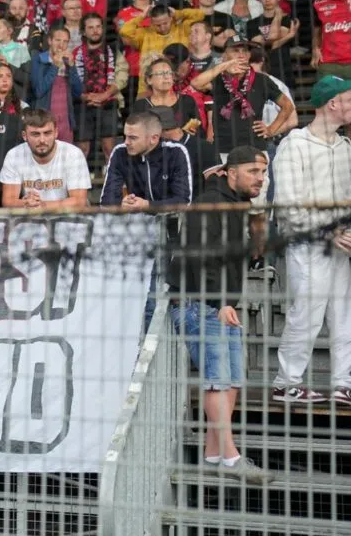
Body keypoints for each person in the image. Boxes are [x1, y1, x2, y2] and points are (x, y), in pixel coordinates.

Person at [170, 145, 270, 482]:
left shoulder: (236, 202)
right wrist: (219, 301)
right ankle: (231, 458)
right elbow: (201, 256)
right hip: (201, 304)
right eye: (254, 171)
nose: (261, 178)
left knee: (233, 381)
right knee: (218, 379)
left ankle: (214, 455)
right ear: (231, 171)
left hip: (221, 304)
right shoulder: (209, 202)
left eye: (263, 172)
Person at [270, 76, 351, 405]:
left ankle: (343, 383)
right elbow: (289, 205)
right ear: (333, 103)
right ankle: (285, 382)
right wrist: (331, 230)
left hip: (342, 246)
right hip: (307, 242)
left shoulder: (346, 148)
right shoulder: (295, 143)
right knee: (307, 312)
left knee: (343, 314)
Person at [188, 40, 295, 159]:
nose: (241, 54)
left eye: (244, 50)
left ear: (249, 55)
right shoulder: (218, 79)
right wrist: (225, 66)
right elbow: (195, 83)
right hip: (224, 148)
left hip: (255, 148)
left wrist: (271, 130)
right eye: (235, 51)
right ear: (224, 55)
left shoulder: (262, 80)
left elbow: (287, 106)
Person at [0, 108, 92, 209]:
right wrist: (25, 203)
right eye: (35, 134)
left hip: (67, 217)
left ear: (56, 133)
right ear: (24, 136)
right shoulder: (14, 155)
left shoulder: (73, 154)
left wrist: (42, 205)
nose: (42, 140)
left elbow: (79, 202)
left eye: (47, 133)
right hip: (30, 218)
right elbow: (8, 201)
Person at [98, 111, 193, 208]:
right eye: (125, 136)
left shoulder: (176, 151)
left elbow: (183, 202)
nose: (126, 142)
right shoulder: (120, 152)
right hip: (135, 218)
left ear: (154, 138)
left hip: (170, 218)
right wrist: (121, 205)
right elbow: (106, 202)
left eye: (133, 138)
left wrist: (147, 205)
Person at [72, 12, 127, 162]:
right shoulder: (74, 54)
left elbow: (122, 76)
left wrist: (105, 95)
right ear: (83, 31)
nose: (95, 30)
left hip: (108, 103)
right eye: (90, 27)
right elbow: (71, 80)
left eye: (98, 27)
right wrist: (84, 96)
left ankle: (115, 182)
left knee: (111, 148)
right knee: (81, 150)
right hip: (82, 105)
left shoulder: (113, 51)